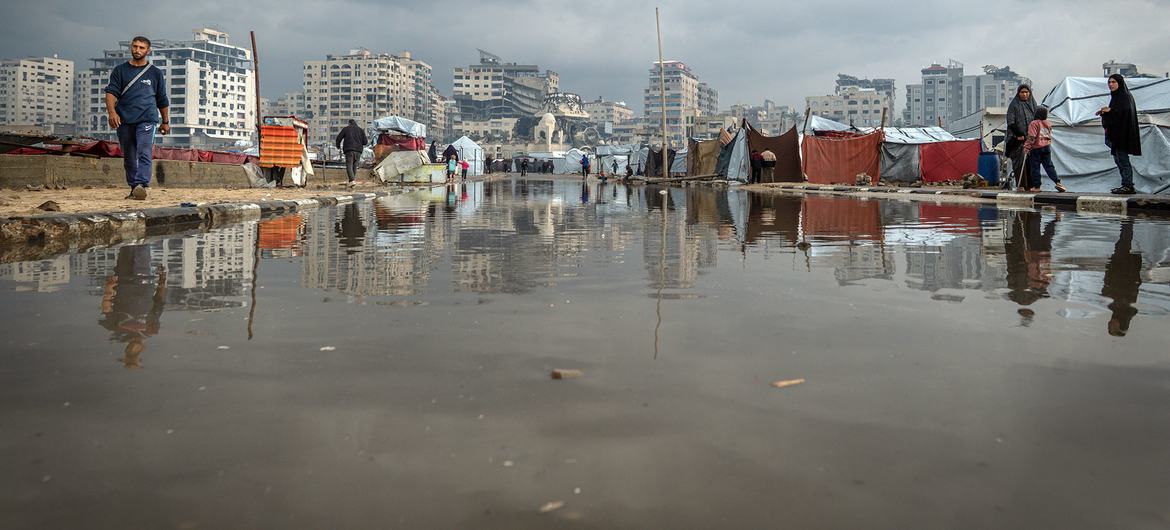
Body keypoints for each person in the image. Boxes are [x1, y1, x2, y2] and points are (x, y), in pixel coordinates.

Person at [104, 36, 169, 200]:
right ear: (131, 48)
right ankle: (134, 188)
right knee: (129, 156)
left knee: (144, 151)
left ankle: (142, 184)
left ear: (148, 51)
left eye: (141, 47)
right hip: (124, 120)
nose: (137, 50)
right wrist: (112, 112)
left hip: (147, 119)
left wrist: (165, 122)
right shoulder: (120, 70)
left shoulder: (155, 73)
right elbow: (111, 92)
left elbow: (162, 99)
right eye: (135, 46)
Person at [99, 244, 167, 369]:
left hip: (125, 280)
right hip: (143, 278)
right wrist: (162, 281)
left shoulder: (117, 330)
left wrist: (109, 287)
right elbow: (158, 302)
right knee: (138, 248)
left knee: (132, 248)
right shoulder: (151, 329)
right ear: (142, 349)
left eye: (130, 356)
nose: (133, 351)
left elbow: (107, 308)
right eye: (135, 357)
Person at [1098, 74, 1142, 194]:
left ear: (1120, 83)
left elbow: (1124, 113)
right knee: (1118, 160)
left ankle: (1128, 185)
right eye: (1109, 82)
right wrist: (1105, 112)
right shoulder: (1116, 97)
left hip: (1122, 135)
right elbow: (1116, 113)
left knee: (1123, 160)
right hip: (1116, 136)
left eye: (1113, 82)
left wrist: (1110, 111)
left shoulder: (1125, 97)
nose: (1111, 85)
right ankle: (1125, 184)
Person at [1102, 219, 1142, 336]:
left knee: (1122, 243)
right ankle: (1127, 221)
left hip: (1118, 268)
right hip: (1123, 267)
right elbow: (1131, 284)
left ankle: (1127, 222)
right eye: (1112, 327)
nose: (1109, 324)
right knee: (1124, 243)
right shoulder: (1124, 304)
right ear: (1119, 324)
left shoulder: (1116, 307)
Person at [1023, 106, 1066, 192]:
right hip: (1046, 147)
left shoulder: (1034, 123)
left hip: (1036, 148)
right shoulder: (1048, 123)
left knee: (1035, 168)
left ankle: (1037, 186)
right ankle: (1058, 182)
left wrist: (1026, 147)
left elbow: (1032, 137)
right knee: (1049, 166)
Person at [1005, 84, 1037, 190]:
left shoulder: (1033, 105)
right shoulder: (1014, 105)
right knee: (1019, 162)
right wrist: (1019, 134)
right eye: (1022, 92)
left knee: (1031, 162)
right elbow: (1011, 121)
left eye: (1026, 92)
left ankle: (1031, 185)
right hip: (1017, 139)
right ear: (1018, 93)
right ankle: (1021, 185)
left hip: (1031, 139)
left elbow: (1037, 121)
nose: (1024, 94)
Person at [335, 119, 367, 186]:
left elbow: (338, 138)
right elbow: (365, 142)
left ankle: (352, 181)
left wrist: (338, 146)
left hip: (349, 150)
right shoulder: (361, 130)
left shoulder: (346, 129)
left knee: (349, 165)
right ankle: (352, 182)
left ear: (349, 123)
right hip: (358, 151)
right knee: (354, 166)